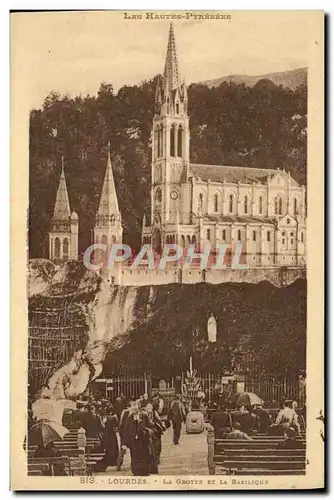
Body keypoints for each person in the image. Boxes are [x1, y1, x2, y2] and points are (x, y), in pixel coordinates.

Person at [123, 402, 157, 476]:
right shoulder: (129, 417)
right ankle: (136, 471)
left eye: (136, 407)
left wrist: (153, 424)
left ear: (138, 408)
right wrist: (124, 443)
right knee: (134, 456)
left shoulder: (144, 415)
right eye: (133, 407)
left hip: (143, 439)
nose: (134, 409)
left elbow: (150, 425)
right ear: (131, 408)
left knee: (144, 455)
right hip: (133, 440)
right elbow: (126, 430)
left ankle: (144, 471)